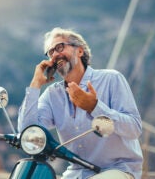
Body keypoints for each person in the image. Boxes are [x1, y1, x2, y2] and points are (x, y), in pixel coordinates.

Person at [18, 27, 143, 179]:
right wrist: (35, 85)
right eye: (51, 52)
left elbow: (134, 128)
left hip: (118, 170)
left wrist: (94, 107)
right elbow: (27, 134)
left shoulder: (111, 79)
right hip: (76, 174)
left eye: (60, 47)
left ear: (80, 51)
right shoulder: (52, 95)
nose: (55, 54)